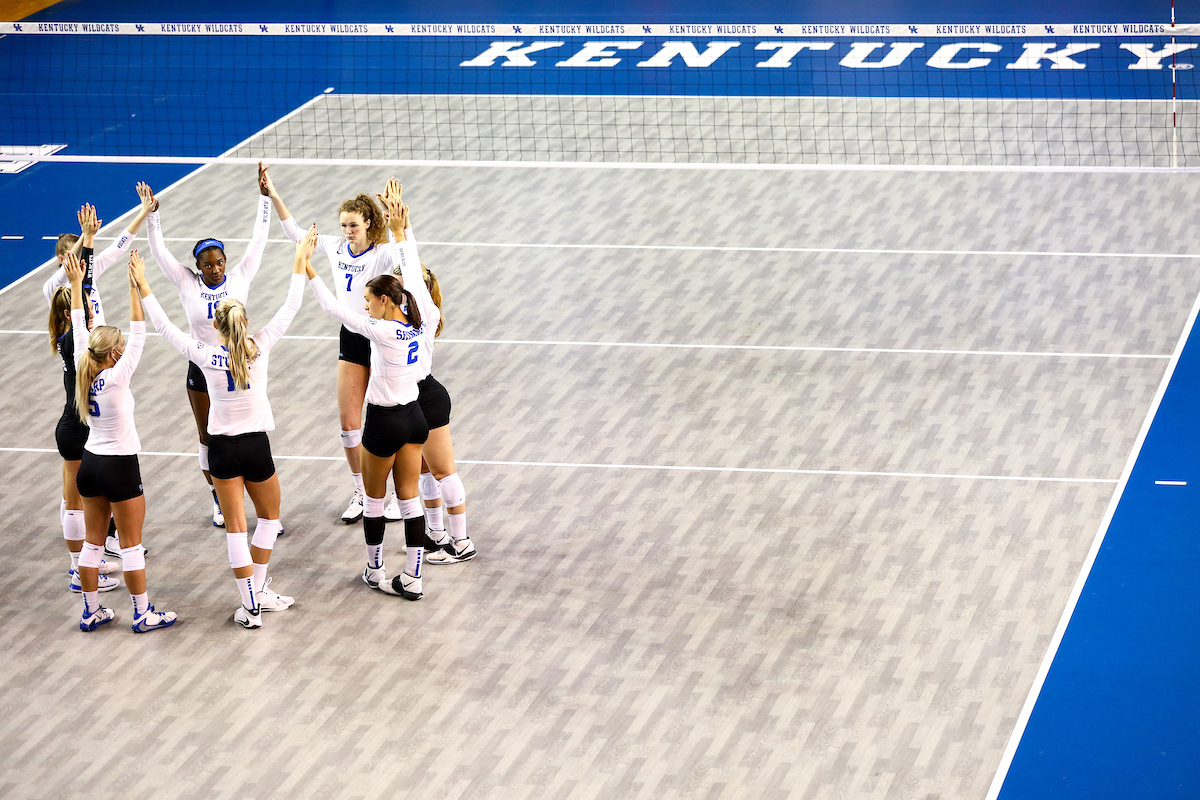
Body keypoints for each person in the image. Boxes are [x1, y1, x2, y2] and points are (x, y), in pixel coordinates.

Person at [133, 243, 302, 630]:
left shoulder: (206, 355)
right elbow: (291, 305)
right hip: (258, 446)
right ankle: (256, 593)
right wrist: (299, 261)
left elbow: (164, 327)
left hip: (223, 451)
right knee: (269, 520)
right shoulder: (260, 346)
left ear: (217, 326)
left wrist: (143, 285)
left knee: (235, 529)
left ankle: (251, 604)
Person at [299, 210, 438, 600]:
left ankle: (375, 569)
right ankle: (413, 576)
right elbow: (413, 278)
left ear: (383, 301)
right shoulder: (425, 318)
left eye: (367, 300)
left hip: (384, 422)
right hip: (415, 419)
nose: (364, 306)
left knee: (375, 501)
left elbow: (332, 308)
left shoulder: (379, 329)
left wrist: (306, 267)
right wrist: (402, 229)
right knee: (409, 498)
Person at [262, 170, 407, 525]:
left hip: (381, 336)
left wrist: (399, 222)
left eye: (353, 225)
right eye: (343, 225)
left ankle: (401, 495)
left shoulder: (383, 253)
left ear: (369, 223)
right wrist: (273, 195)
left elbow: (407, 263)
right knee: (348, 423)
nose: (347, 231)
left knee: (392, 419)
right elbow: (296, 235)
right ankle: (362, 489)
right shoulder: (336, 247)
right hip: (351, 337)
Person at [144, 164, 280, 529]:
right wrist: (153, 216)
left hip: (238, 361)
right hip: (201, 365)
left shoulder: (239, 277)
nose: (216, 269)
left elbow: (259, 241)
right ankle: (219, 498)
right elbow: (158, 254)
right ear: (198, 266)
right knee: (208, 435)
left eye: (220, 262)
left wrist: (264, 199)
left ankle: (265, 506)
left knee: (251, 431)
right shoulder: (187, 282)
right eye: (209, 265)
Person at [69, 251, 176, 633]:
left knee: (92, 545)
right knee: (130, 544)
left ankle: (90, 611)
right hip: (119, 466)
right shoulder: (117, 376)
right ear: (113, 353)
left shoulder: (86, 367)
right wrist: (135, 285)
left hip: (90, 464)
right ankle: (143, 612)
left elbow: (78, 324)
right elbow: (140, 330)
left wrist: (78, 286)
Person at [45, 195, 154, 561]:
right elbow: (73, 282)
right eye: (71, 259)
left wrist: (141, 213)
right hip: (81, 407)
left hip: (95, 387)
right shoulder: (57, 290)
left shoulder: (82, 292)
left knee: (86, 486)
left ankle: (97, 547)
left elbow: (120, 243)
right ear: (64, 260)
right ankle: (83, 560)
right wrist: (85, 239)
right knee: (76, 494)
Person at [385, 193, 476, 564]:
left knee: (442, 471)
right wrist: (402, 225)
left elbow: (409, 268)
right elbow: (406, 267)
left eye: (400, 281)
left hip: (426, 395)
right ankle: (435, 535)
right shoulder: (400, 314)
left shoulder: (426, 310)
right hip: (407, 398)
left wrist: (399, 232)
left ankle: (462, 542)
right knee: (422, 471)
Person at [47, 284, 121, 593]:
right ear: (71, 313)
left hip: (72, 428)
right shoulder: (76, 343)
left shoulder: (69, 340)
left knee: (75, 501)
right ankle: (80, 570)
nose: (92, 313)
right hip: (77, 431)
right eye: (86, 309)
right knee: (75, 504)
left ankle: (86, 561)